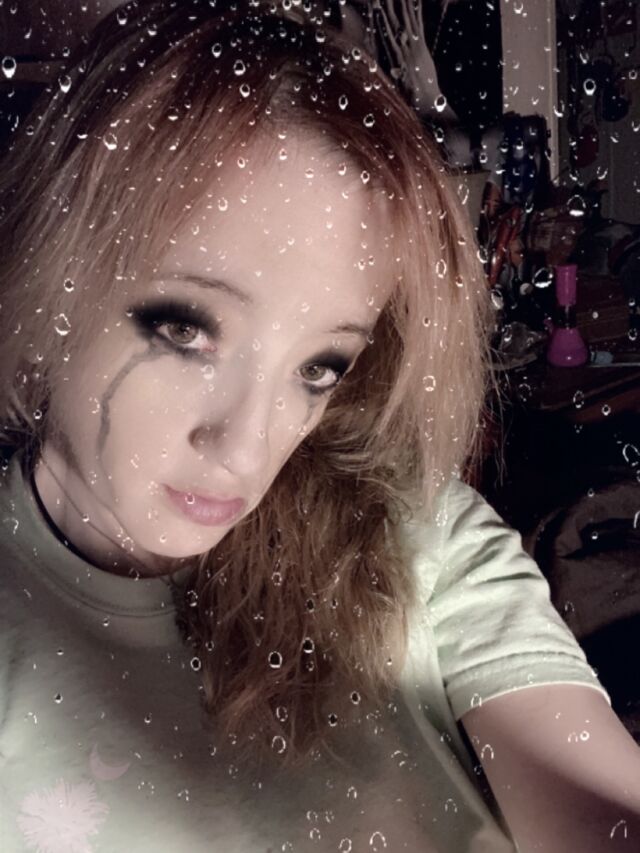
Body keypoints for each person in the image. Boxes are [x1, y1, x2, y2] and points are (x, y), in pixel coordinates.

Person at [0, 2, 638, 851]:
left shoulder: (417, 539)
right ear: (52, 276)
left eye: (319, 366)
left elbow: (602, 809)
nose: (246, 446)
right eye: (185, 328)